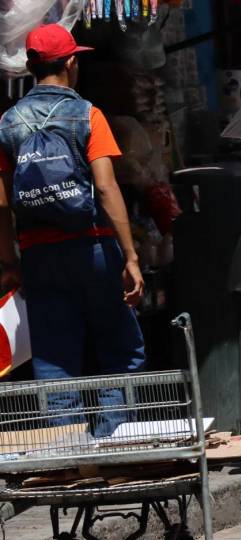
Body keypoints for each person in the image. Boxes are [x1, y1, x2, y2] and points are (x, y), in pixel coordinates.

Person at [0, 24, 145, 436]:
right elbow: (105, 186)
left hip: (39, 254)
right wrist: (131, 256)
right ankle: (114, 439)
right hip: (94, 247)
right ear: (71, 62)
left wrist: (10, 261)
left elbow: (1, 203)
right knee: (119, 347)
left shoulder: (7, 124)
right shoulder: (87, 114)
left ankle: (67, 450)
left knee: (54, 355)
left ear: (30, 65)